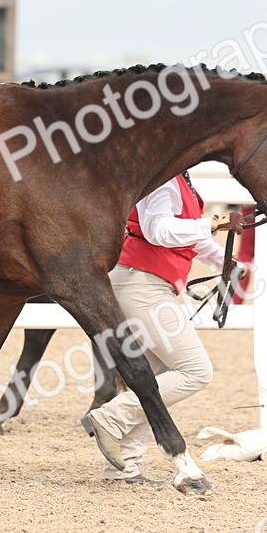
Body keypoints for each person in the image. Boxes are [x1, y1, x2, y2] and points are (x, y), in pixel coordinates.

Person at [81, 171, 243, 485]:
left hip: (142, 282)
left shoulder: (180, 179)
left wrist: (223, 259)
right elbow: (158, 230)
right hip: (143, 284)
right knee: (195, 371)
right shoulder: (163, 179)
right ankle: (109, 417)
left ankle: (122, 467)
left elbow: (187, 236)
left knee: (156, 380)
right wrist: (213, 222)